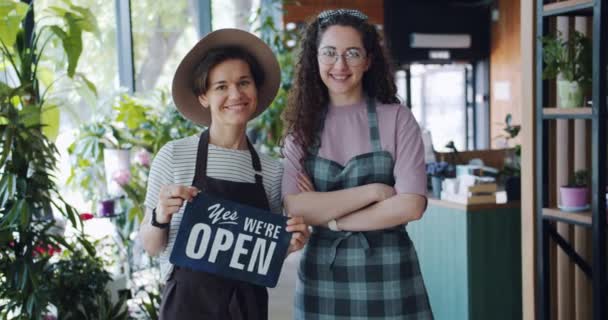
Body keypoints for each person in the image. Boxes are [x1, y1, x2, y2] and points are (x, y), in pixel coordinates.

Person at [138, 28, 309, 319]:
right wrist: (159, 216)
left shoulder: (270, 171)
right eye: (221, 87)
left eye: (244, 83)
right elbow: (151, 246)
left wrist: (290, 245)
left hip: (247, 306)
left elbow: (263, 255)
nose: (235, 95)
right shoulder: (174, 155)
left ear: (255, 90)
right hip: (187, 306)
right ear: (203, 96)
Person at [281, 9, 433, 319]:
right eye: (329, 53)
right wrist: (375, 191)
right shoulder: (301, 128)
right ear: (315, 58)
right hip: (322, 277)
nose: (340, 65)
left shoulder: (397, 118)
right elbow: (296, 207)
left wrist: (333, 219)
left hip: (390, 274)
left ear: (368, 60)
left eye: (352, 53)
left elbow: (411, 206)